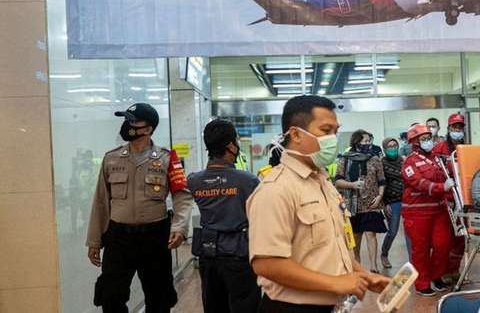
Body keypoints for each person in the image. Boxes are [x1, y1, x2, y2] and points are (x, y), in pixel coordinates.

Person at [246, 95, 389, 313]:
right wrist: (335, 283)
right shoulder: (275, 189)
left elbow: (332, 247)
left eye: (335, 131)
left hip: (331, 305)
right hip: (291, 308)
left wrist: (362, 274)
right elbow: (266, 263)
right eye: (325, 130)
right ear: (295, 134)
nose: (333, 138)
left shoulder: (322, 182)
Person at [86, 103, 193, 313]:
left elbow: (182, 197)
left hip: (154, 238)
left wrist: (179, 228)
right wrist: (94, 241)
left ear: (149, 128)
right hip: (118, 238)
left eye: (133, 121)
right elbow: (101, 201)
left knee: (159, 299)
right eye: (127, 120)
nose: (128, 125)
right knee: (110, 298)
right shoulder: (111, 158)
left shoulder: (167, 158)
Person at [188, 119, 261, 313]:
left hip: (208, 255)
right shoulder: (248, 181)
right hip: (239, 255)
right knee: (245, 306)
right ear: (230, 145)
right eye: (236, 140)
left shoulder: (194, 181)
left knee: (213, 306)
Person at [401, 124, 455, 296]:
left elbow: (448, 176)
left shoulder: (437, 159)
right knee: (420, 249)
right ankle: (422, 282)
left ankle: (436, 275)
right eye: (423, 139)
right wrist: (442, 187)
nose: (428, 142)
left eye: (429, 138)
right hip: (417, 212)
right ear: (415, 142)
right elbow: (418, 182)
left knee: (443, 245)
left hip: (439, 210)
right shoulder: (410, 161)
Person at [334, 130, 387, 271]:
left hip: (371, 203)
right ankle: (358, 265)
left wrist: (380, 196)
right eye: (365, 141)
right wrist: (351, 185)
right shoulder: (345, 159)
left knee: (371, 233)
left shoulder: (374, 159)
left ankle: (374, 266)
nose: (368, 143)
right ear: (356, 142)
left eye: (369, 141)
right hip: (353, 204)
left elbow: (382, 181)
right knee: (356, 237)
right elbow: (338, 181)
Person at [432, 113, 467, 280]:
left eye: (460, 127)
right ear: (448, 129)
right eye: (454, 127)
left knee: (460, 237)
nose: (457, 130)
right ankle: (443, 271)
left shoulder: (467, 150)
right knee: (445, 239)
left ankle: (454, 269)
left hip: (463, 198)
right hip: (446, 199)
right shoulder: (439, 149)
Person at [379, 137, 408, 269]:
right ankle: (384, 254)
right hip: (392, 201)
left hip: (407, 200)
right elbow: (379, 184)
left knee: (410, 232)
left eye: (394, 146)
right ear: (385, 149)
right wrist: (384, 205)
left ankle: (413, 260)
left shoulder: (403, 160)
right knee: (393, 231)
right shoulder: (381, 163)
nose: (393, 148)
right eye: (389, 146)